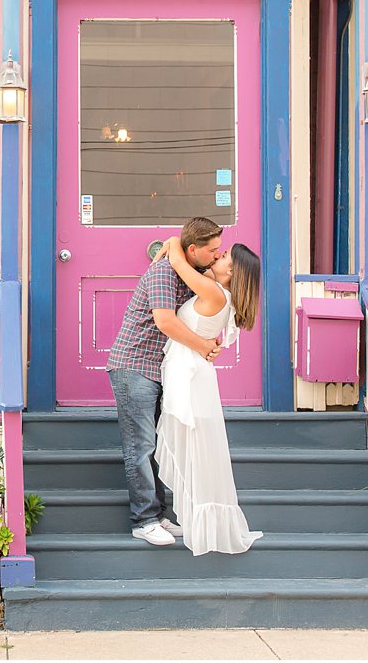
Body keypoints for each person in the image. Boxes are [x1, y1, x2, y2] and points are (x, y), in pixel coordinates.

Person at [106, 217, 225, 547]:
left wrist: (172, 243)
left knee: (157, 444)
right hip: (134, 365)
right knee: (140, 446)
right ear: (193, 249)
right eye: (212, 251)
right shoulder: (164, 272)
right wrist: (202, 346)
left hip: (159, 369)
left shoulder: (190, 270)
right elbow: (165, 321)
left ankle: (158, 515)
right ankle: (143, 520)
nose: (217, 256)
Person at [156, 236, 264, 555]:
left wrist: (175, 240)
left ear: (230, 270)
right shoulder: (216, 290)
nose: (216, 256)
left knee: (195, 450)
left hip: (190, 377)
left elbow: (177, 261)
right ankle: (196, 520)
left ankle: (202, 525)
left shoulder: (215, 294)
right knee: (194, 450)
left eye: (224, 255)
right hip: (190, 371)